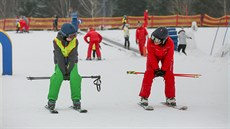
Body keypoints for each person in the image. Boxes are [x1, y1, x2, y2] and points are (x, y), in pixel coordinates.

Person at [47, 23, 82, 110]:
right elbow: (59, 57)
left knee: (75, 77)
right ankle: (51, 101)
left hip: (72, 62)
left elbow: (73, 57)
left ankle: (76, 100)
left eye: (75, 35)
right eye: (71, 36)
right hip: (60, 62)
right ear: (64, 35)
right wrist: (64, 72)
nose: (73, 37)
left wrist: (69, 70)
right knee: (57, 77)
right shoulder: (56, 41)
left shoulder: (75, 41)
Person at [139, 27, 176, 107]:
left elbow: (169, 58)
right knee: (149, 73)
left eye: (158, 40)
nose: (155, 41)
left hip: (165, 57)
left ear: (163, 40)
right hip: (153, 58)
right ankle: (144, 97)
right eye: (154, 38)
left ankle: (170, 97)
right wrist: (156, 69)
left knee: (169, 75)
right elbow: (151, 56)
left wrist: (163, 70)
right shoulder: (150, 42)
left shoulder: (170, 43)